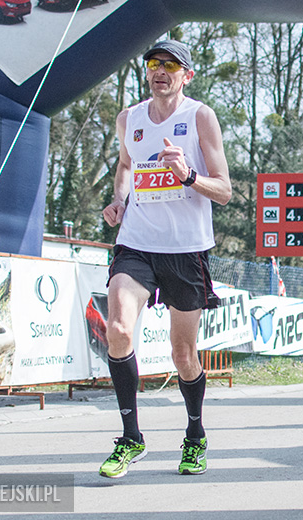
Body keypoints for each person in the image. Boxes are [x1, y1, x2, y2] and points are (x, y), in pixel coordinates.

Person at [99, 40, 231, 478]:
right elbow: (125, 165)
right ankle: (130, 438)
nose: (160, 70)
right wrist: (119, 200)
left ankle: (195, 435)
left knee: (183, 354)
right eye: (154, 63)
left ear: (186, 75)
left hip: (186, 249)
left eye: (171, 65)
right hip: (136, 242)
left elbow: (225, 190)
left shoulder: (200, 117)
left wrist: (188, 175)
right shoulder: (129, 119)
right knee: (118, 330)